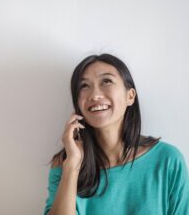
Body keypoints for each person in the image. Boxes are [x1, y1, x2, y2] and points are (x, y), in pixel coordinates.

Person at [43, 53, 189, 215]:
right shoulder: (65, 163)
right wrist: (72, 166)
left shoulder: (167, 160)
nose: (95, 95)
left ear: (130, 96)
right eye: (84, 86)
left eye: (106, 81)